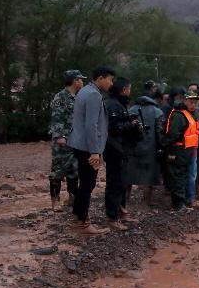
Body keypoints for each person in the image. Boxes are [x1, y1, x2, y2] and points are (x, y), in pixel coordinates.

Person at [67, 66, 114, 234]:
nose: (111, 83)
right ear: (100, 78)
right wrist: (95, 151)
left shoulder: (84, 90)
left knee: (84, 183)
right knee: (88, 184)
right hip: (88, 147)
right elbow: (91, 125)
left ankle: (77, 216)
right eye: (110, 79)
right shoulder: (94, 94)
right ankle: (83, 223)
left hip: (79, 144)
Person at [103, 77, 142, 230]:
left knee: (122, 183)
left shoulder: (120, 104)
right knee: (114, 183)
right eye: (129, 89)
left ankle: (120, 211)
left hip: (121, 149)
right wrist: (130, 125)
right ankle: (112, 218)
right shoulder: (113, 104)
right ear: (124, 89)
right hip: (114, 149)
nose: (130, 92)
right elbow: (113, 128)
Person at [49, 70, 84, 212]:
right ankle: (55, 201)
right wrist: (60, 137)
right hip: (62, 142)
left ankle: (72, 198)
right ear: (75, 81)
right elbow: (57, 118)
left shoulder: (76, 97)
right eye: (81, 79)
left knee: (74, 171)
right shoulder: (60, 97)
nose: (82, 82)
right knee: (57, 171)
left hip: (75, 141)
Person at [127, 86, 164, 209]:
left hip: (133, 148)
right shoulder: (157, 111)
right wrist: (161, 147)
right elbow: (159, 132)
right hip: (151, 148)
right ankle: (145, 201)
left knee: (129, 173)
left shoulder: (131, 110)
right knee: (149, 175)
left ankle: (125, 200)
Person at [164, 92, 199, 211]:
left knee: (183, 176)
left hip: (186, 152)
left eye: (195, 102)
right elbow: (172, 135)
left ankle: (181, 203)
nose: (193, 104)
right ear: (184, 100)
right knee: (178, 178)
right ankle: (178, 205)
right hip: (178, 151)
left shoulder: (189, 114)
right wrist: (168, 150)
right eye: (191, 101)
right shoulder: (179, 115)